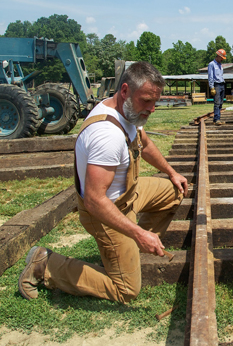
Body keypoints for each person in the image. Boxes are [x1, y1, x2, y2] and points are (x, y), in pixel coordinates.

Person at [18, 61, 189, 304]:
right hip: (105, 211)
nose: (152, 109)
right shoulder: (107, 135)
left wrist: (172, 172)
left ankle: (131, 249)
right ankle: (45, 264)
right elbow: (95, 201)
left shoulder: (129, 112)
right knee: (127, 290)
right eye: (146, 101)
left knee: (175, 190)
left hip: (129, 194)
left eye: (155, 102)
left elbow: (146, 144)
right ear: (125, 91)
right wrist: (139, 232)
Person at [208, 49, 227, 125]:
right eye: (222, 58)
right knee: (217, 103)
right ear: (218, 56)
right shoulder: (211, 64)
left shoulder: (220, 65)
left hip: (222, 84)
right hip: (216, 85)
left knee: (221, 103)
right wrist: (211, 87)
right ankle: (216, 119)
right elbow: (210, 76)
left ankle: (218, 118)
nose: (222, 59)